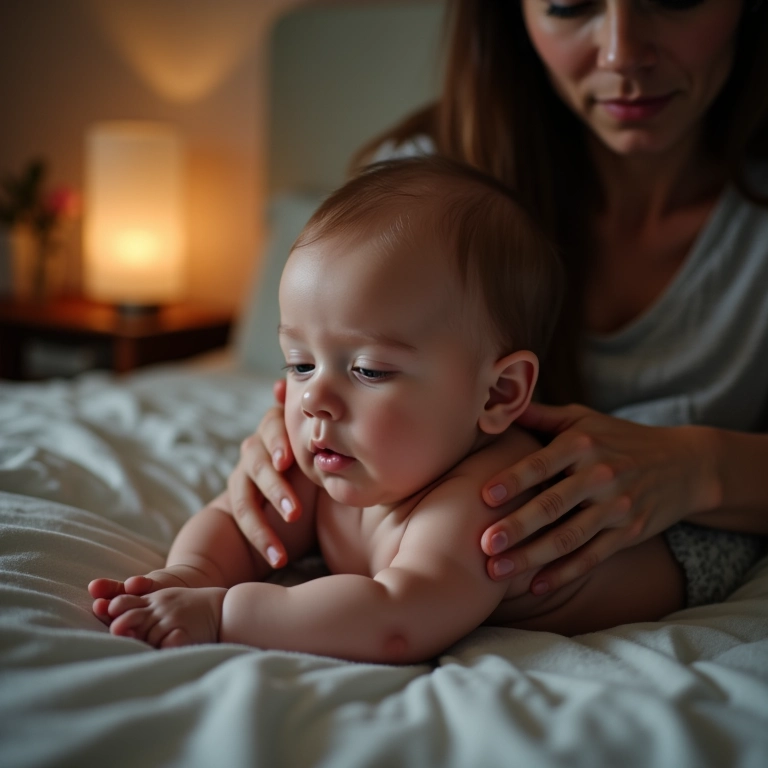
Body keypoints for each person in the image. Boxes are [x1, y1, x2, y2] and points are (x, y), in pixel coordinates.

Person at [225, 0, 768, 610]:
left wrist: (703, 467)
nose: (621, 53)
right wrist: (288, 430)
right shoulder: (420, 184)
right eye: (568, 5)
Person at [88, 158, 685, 663]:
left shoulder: (484, 502)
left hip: (677, 548)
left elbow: (395, 621)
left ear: (498, 394)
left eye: (368, 370)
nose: (315, 399)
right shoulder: (332, 451)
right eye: (298, 363)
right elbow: (240, 524)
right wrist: (190, 576)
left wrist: (224, 611)